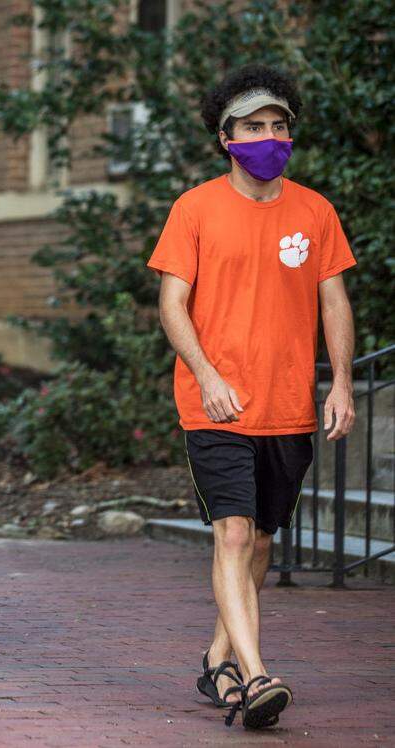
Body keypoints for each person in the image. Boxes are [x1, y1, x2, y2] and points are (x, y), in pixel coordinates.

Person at [148, 64, 356, 730]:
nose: (268, 137)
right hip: (217, 406)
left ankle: (218, 657)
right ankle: (256, 672)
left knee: (261, 542)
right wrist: (207, 374)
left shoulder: (315, 211)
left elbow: (334, 301)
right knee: (233, 534)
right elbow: (172, 304)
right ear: (226, 137)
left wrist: (343, 382)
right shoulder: (196, 208)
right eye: (253, 127)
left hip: (289, 403)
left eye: (277, 126)